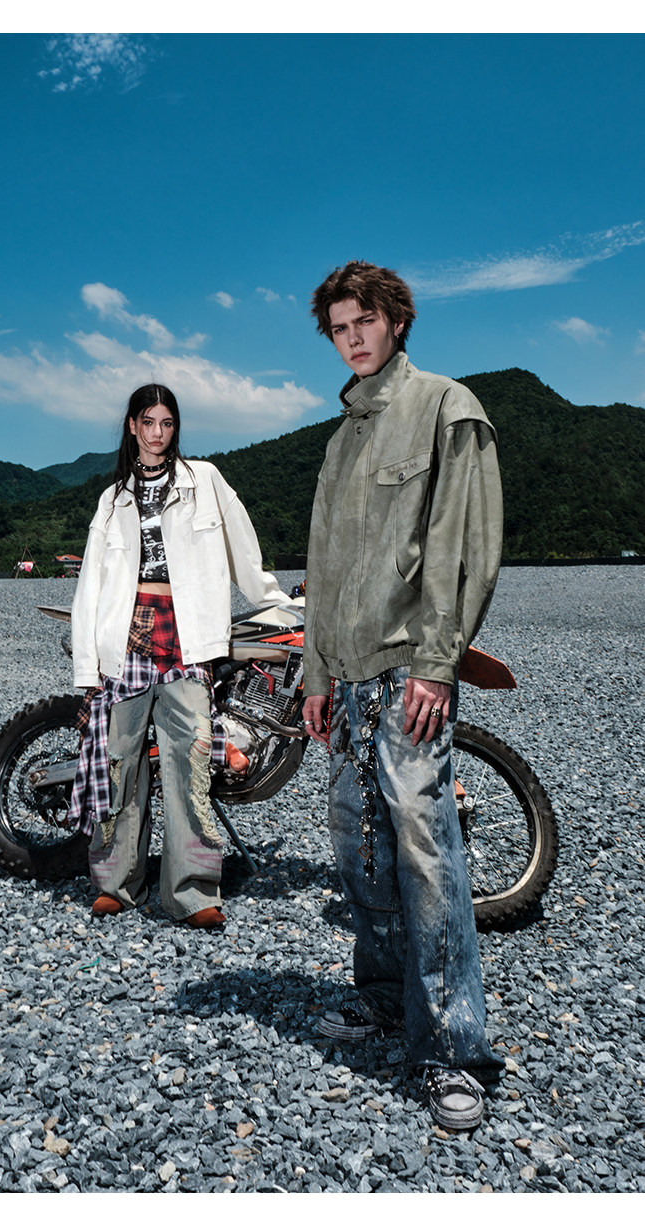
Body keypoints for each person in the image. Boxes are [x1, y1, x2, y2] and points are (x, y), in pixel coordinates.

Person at [301, 261, 505, 1130]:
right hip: (346, 679)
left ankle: (455, 1050)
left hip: (407, 671)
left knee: (426, 853)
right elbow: (322, 565)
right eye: (339, 327)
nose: (352, 337)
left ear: (396, 320)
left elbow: (465, 545)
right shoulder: (342, 437)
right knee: (361, 848)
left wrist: (436, 663)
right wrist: (315, 675)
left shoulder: (446, 407)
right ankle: (385, 997)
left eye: (364, 321)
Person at [70, 384, 293, 929]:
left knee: (190, 763)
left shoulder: (205, 480)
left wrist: (278, 603)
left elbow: (244, 552)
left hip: (187, 639)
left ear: (175, 428)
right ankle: (116, 884)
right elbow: (90, 585)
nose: (157, 433)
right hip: (125, 641)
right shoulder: (113, 499)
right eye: (147, 422)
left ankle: (192, 892)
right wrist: (86, 667)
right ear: (132, 426)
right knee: (121, 764)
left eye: (166, 423)